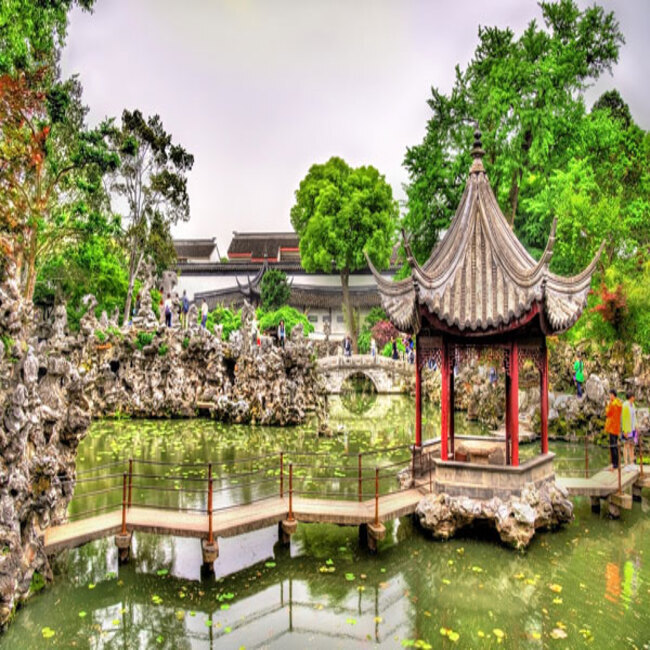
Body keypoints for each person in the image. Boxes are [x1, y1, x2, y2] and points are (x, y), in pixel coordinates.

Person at [605, 389, 622, 470]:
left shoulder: (612, 404)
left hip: (612, 427)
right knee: (615, 445)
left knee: (613, 446)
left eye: (610, 395)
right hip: (616, 427)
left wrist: (607, 405)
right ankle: (616, 463)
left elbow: (608, 413)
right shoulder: (619, 403)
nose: (609, 396)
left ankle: (615, 464)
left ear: (612, 395)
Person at [621, 391, 637, 468]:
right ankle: (626, 463)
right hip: (627, 429)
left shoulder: (633, 405)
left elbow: (634, 416)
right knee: (626, 445)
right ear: (631, 397)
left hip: (633, 428)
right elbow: (623, 418)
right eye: (633, 396)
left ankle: (631, 462)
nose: (634, 398)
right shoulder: (625, 405)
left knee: (632, 445)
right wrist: (624, 430)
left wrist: (636, 425)